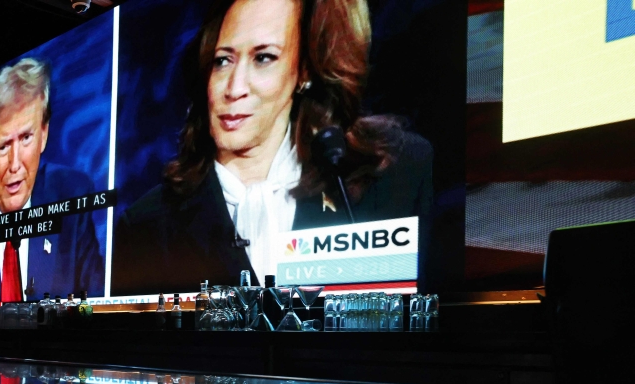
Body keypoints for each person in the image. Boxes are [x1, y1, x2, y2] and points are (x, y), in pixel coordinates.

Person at [113, 0, 433, 295]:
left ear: (304, 71)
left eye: (263, 58)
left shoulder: (396, 175)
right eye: (223, 61)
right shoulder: (145, 227)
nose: (235, 88)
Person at [0, 58, 105, 302]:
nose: (15, 164)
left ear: (43, 135)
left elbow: (93, 303)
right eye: (4, 146)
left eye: (26, 138)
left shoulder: (73, 198)